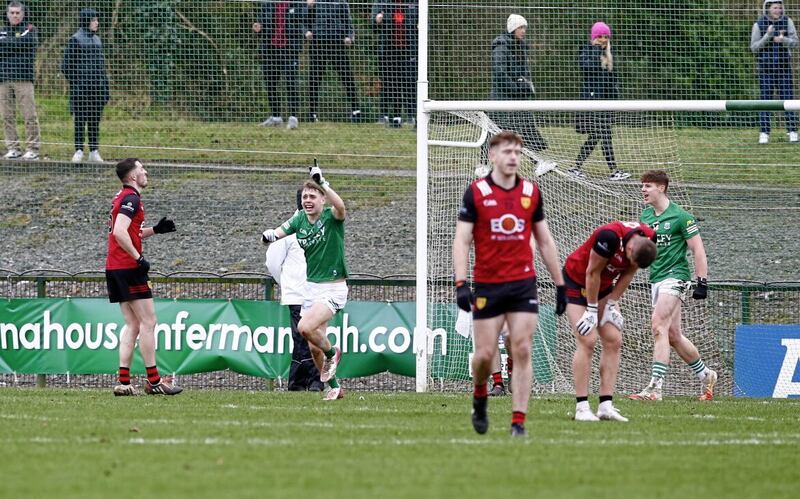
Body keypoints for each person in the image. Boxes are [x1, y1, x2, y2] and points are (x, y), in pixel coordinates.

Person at [453, 130, 567, 437]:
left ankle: (519, 421)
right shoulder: (476, 192)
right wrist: (461, 282)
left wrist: (559, 284)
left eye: (517, 152)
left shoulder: (531, 192)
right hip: (488, 285)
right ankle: (480, 394)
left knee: (522, 348)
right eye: (507, 151)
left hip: (523, 284)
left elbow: (544, 241)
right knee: (484, 354)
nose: (513, 157)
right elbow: (462, 239)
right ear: (492, 156)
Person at [261, 164, 348, 401]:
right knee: (312, 348)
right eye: (305, 196)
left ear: (322, 199)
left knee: (304, 328)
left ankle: (333, 353)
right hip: (311, 288)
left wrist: (323, 182)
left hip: (333, 287)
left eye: (313, 196)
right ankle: (334, 387)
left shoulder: (332, 217)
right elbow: (279, 233)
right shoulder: (299, 219)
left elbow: (340, 206)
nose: (308, 200)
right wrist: (269, 235)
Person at [630, 170, 717, 401]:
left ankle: (655, 388)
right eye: (643, 186)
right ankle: (706, 375)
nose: (643, 190)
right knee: (673, 335)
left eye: (648, 186)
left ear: (662, 187)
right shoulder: (646, 216)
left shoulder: (681, 217)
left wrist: (702, 281)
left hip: (675, 276)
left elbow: (698, 249)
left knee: (658, 326)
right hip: (656, 278)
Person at [562, 220, 657, 422]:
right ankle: (582, 408)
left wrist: (612, 302)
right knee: (588, 340)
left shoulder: (649, 239)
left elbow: (630, 270)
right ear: (629, 247)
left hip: (603, 287)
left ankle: (605, 406)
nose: (631, 263)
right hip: (576, 281)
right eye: (630, 257)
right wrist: (592, 310)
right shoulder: (609, 237)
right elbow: (592, 272)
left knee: (614, 340)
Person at [106, 158, 181, 396]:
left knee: (133, 324)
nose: (145, 172)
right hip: (129, 267)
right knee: (149, 322)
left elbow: (129, 232)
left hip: (115, 267)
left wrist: (156, 230)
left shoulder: (122, 196)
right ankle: (154, 381)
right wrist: (139, 259)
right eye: (141, 169)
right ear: (132, 177)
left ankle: (124, 382)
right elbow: (119, 232)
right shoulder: (131, 198)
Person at [265, 189, 323, 391]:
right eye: (305, 198)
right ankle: (305, 381)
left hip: (317, 293)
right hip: (298, 294)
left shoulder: (322, 226)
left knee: (314, 337)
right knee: (302, 339)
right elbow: (272, 261)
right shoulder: (288, 230)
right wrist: (287, 283)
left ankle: (308, 381)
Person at [487, 14, 556, 176]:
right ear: (512, 29)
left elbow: (524, 73)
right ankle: (483, 166)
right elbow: (500, 73)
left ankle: (538, 162)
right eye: (520, 28)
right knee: (494, 133)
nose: (523, 31)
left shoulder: (521, 48)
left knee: (525, 129)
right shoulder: (501, 47)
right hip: (502, 100)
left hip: (518, 100)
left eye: (524, 28)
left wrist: (526, 87)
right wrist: (517, 88)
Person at [569, 22, 630, 181]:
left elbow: (612, 81)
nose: (603, 39)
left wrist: (616, 98)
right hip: (592, 102)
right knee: (605, 134)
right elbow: (586, 67)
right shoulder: (588, 50)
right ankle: (614, 170)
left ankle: (575, 167)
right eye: (600, 36)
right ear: (594, 37)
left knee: (597, 135)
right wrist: (597, 52)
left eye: (606, 37)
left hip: (605, 103)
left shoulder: (609, 54)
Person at [62, 7, 110, 164]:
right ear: (86, 21)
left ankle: (94, 150)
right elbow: (66, 66)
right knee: (80, 120)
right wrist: (78, 82)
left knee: (94, 120)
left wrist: (104, 87)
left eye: (97, 20)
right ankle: (79, 150)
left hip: (97, 89)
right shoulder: (75, 39)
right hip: (81, 89)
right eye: (94, 20)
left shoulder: (97, 40)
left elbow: (102, 67)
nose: (97, 23)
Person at [253, 0, 307, 130]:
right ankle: (276, 117)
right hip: (270, 49)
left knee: (291, 82)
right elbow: (261, 21)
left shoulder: (297, 3)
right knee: (270, 82)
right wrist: (258, 26)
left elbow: (304, 21)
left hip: (289, 49)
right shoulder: (267, 3)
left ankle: (293, 118)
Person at [305, 0, 361, 123]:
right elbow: (304, 20)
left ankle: (356, 112)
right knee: (315, 77)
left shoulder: (341, 2)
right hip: (318, 42)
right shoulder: (313, 2)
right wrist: (306, 31)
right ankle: (312, 114)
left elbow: (348, 21)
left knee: (347, 76)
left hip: (337, 42)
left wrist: (349, 36)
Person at [750, 0, 798, 144]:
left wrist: (783, 40)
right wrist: (768, 36)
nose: (778, 10)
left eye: (780, 8)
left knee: (788, 99)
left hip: (784, 68)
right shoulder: (758, 25)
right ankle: (764, 133)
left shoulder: (787, 22)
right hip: (765, 70)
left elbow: (796, 42)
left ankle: (792, 131)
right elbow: (754, 48)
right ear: (768, 9)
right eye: (775, 8)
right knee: (765, 101)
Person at [0, 1, 40, 160]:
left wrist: (7, 44)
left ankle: (33, 149)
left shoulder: (30, 29)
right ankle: (13, 148)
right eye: (12, 13)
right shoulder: (2, 30)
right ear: (7, 14)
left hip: (23, 78)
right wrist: (16, 45)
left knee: (29, 114)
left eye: (18, 12)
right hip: (3, 78)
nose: (15, 15)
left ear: (23, 14)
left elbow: (29, 44)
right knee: (7, 115)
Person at [371, 1, 418, 128]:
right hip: (388, 50)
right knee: (388, 83)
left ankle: (411, 116)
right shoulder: (382, 3)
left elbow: (426, 25)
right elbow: (373, 26)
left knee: (409, 83)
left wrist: (421, 26)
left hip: (408, 50)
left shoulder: (415, 3)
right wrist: (377, 20)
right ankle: (385, 115)